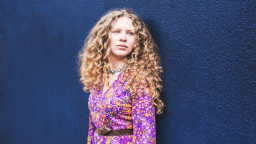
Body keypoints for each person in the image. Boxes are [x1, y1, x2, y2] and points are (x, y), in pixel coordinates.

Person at [79, 9, 164, 144]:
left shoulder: (137, 80)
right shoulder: (98, 77)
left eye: (130, 33)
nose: (123, 38)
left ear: (137, 40)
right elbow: (93, 127)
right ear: (104, 36)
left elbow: (145, 134)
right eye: (116, 31)